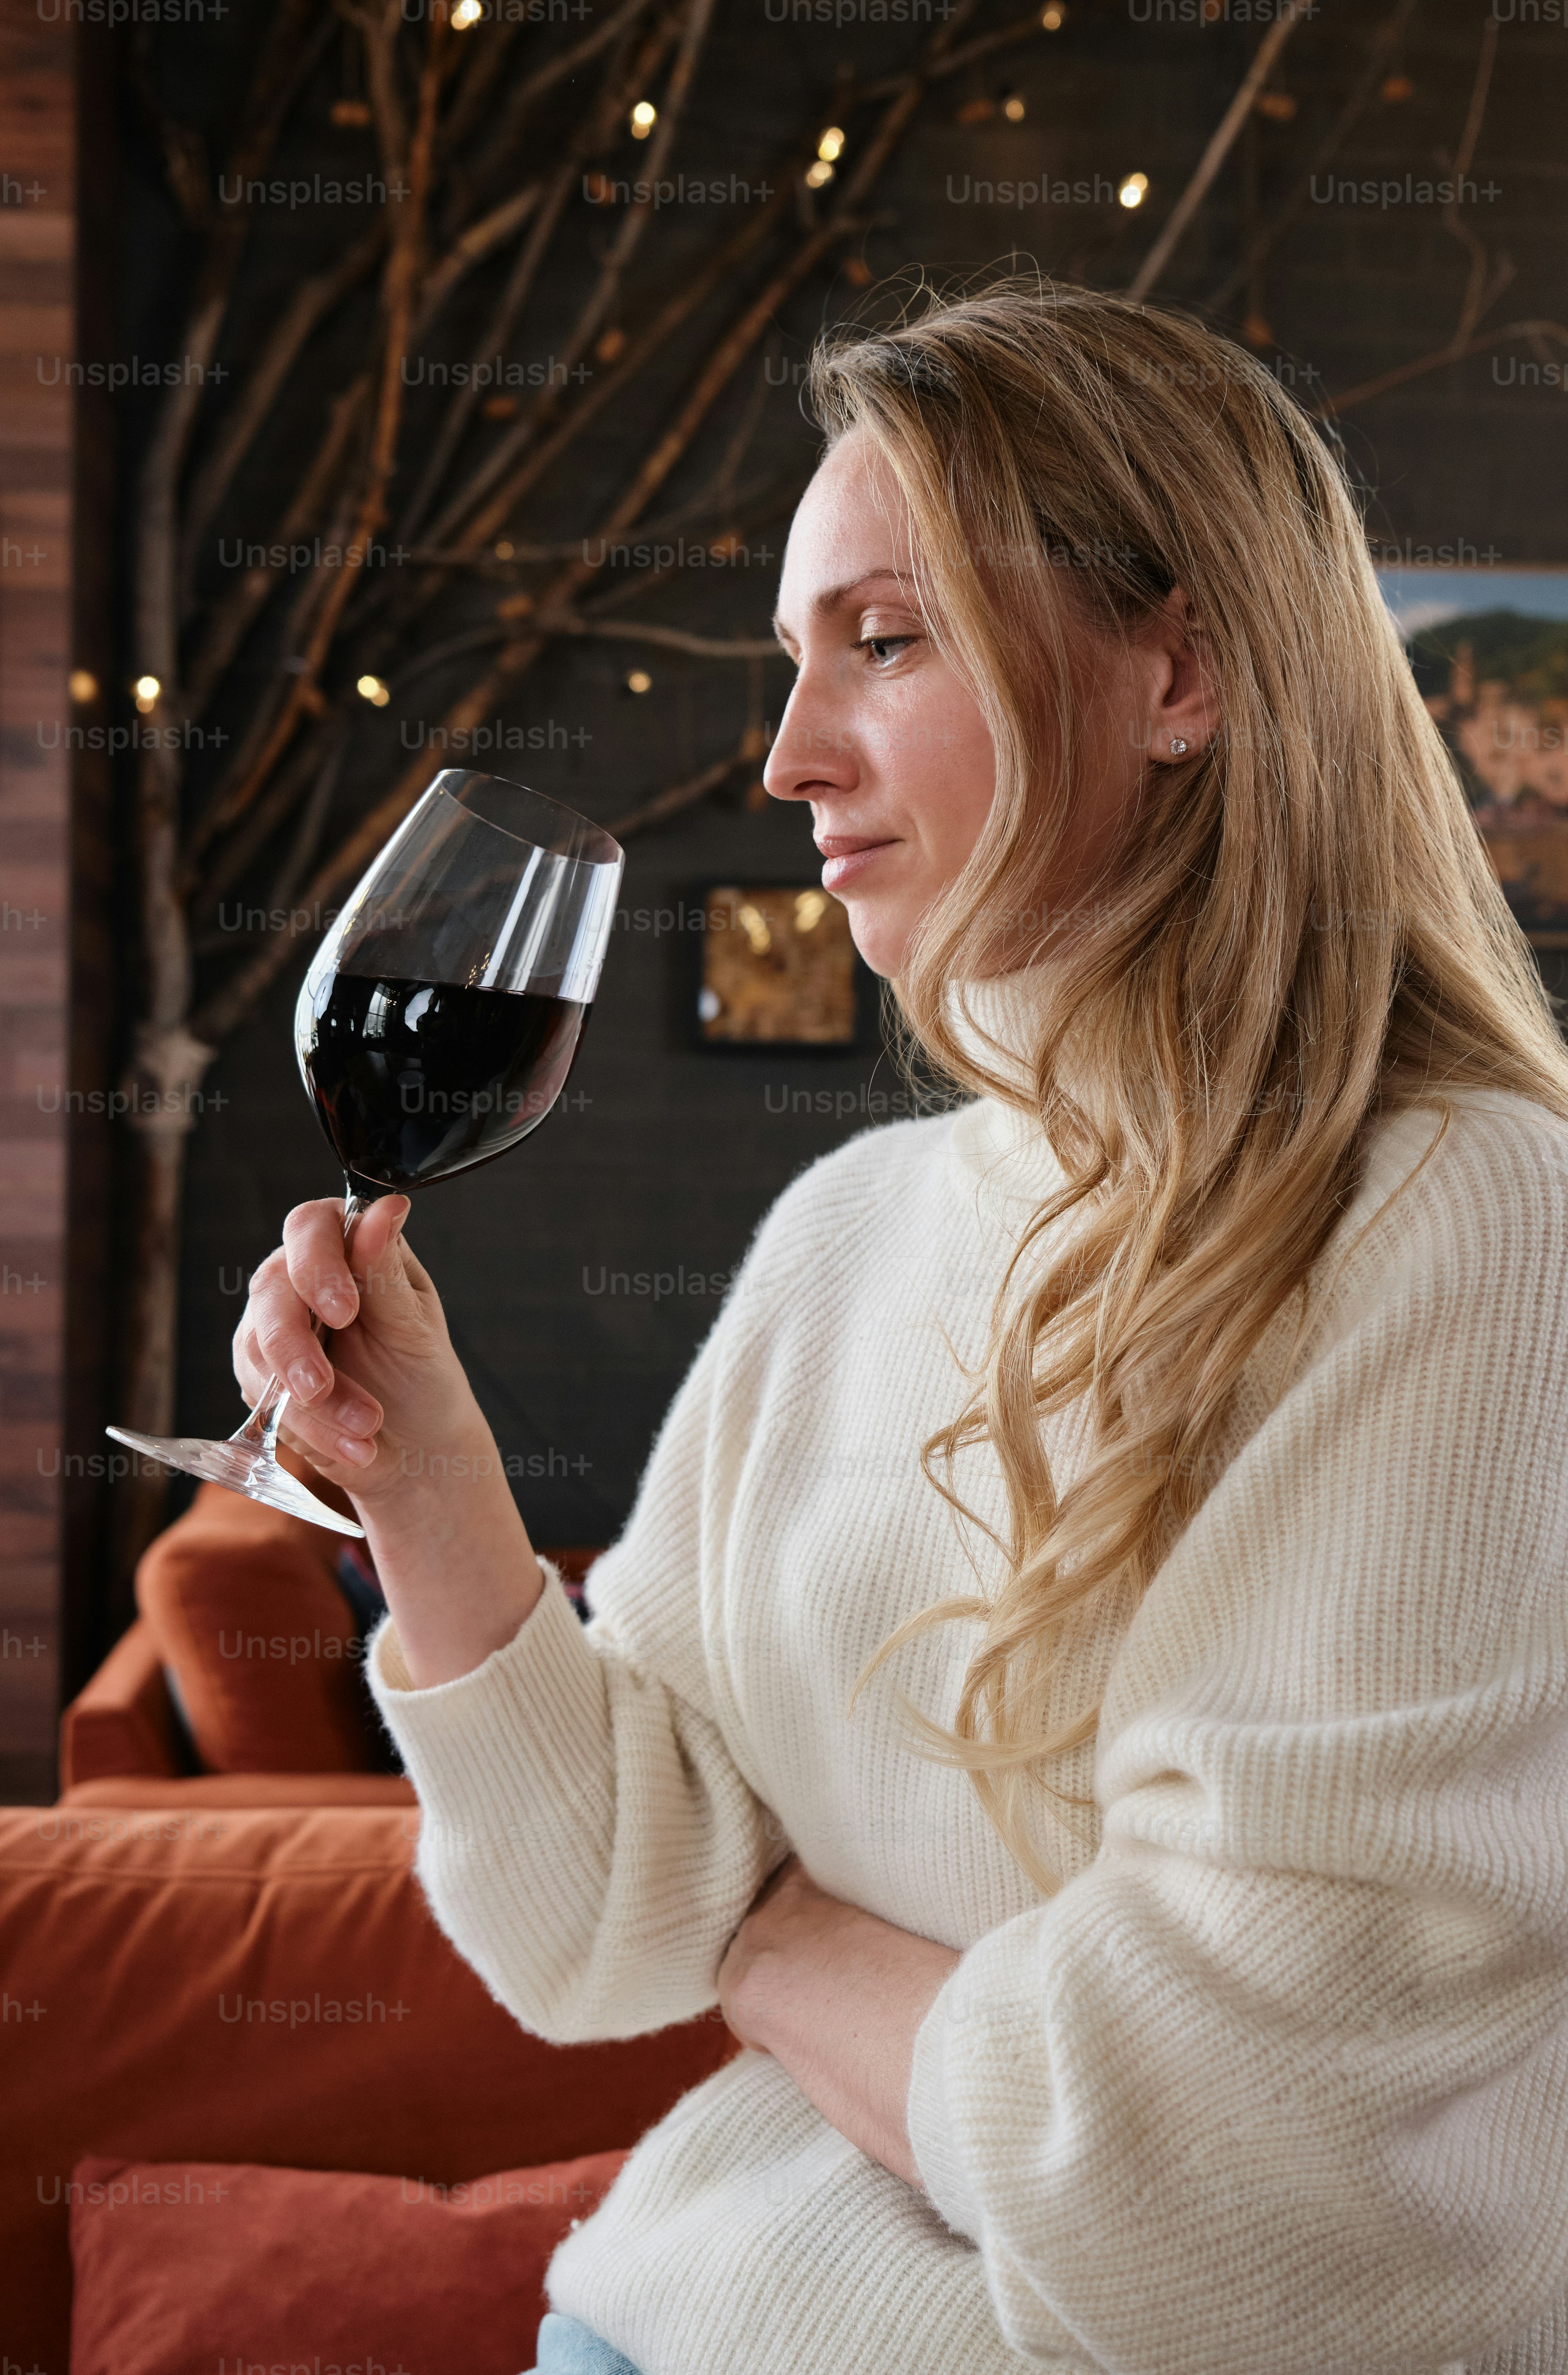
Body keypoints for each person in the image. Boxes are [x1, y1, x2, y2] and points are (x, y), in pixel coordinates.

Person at [232, 278, 1568, 2375]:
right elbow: (604, 1932)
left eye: (888, 636)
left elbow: (1214, 2165)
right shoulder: (855, 1225)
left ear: (1184, 668)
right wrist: (429, 1492)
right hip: (635, 2323)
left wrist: (768, 1941)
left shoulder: (1462, 1226)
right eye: (792, 658)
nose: (784, 757)